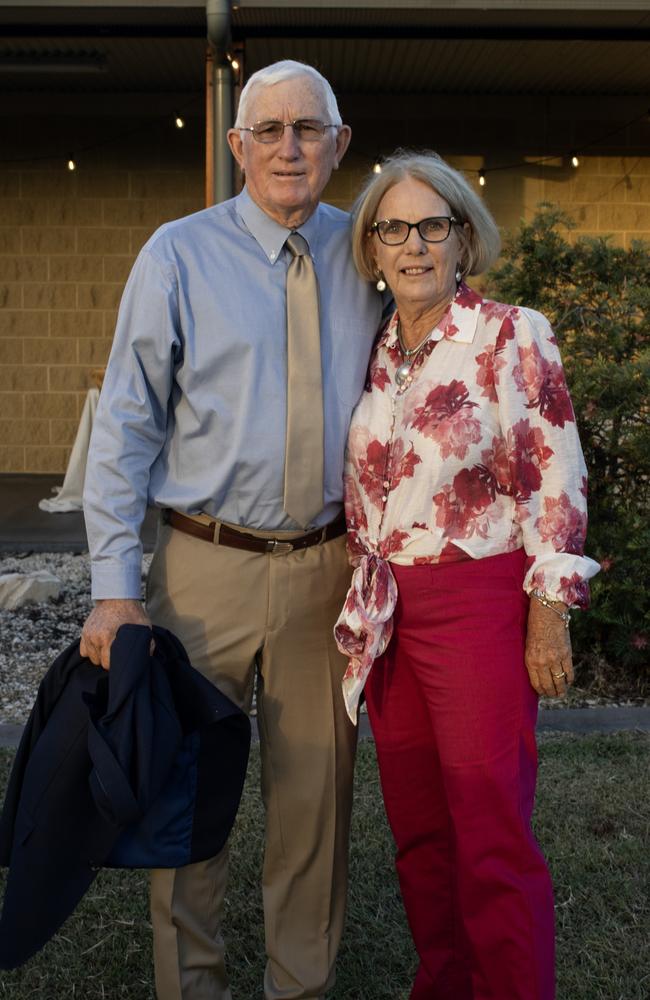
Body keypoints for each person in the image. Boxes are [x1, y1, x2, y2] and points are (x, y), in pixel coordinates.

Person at [80, 60, 383, 1000]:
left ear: (339, 143)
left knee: (314, 806)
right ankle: (193, 985)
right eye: (270, 129)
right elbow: (126, 424)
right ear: (236, 145)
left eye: (309, 129)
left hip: (324, 570)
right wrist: (114, 588)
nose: (288, 147)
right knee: (186, 797)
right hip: (201, 567)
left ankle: (300, 985)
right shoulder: (177, 253)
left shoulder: (371, 250)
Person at [335, 150, 599, 1000]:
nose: (414, 245)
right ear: (372, 248)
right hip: (388, 616)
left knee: (489, 831)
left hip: (478, 603)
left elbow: (553, 470)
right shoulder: (373, 352)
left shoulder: (509, 332)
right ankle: (445, 984)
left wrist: (549, 609)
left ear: (463, 240)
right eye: (394, 229)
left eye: (432, 226)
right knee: (418, 832)